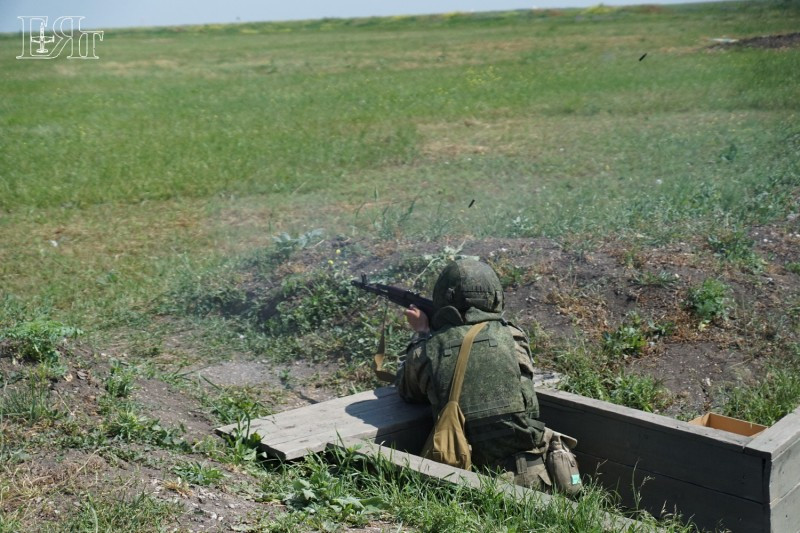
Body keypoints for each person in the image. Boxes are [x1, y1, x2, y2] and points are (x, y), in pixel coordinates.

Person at [396, 258, 574, 492]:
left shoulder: (428, 350)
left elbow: (407, 391)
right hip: (537, 477)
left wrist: (422, 334)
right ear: (495, 296)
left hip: (467, 483)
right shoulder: (514, 337)